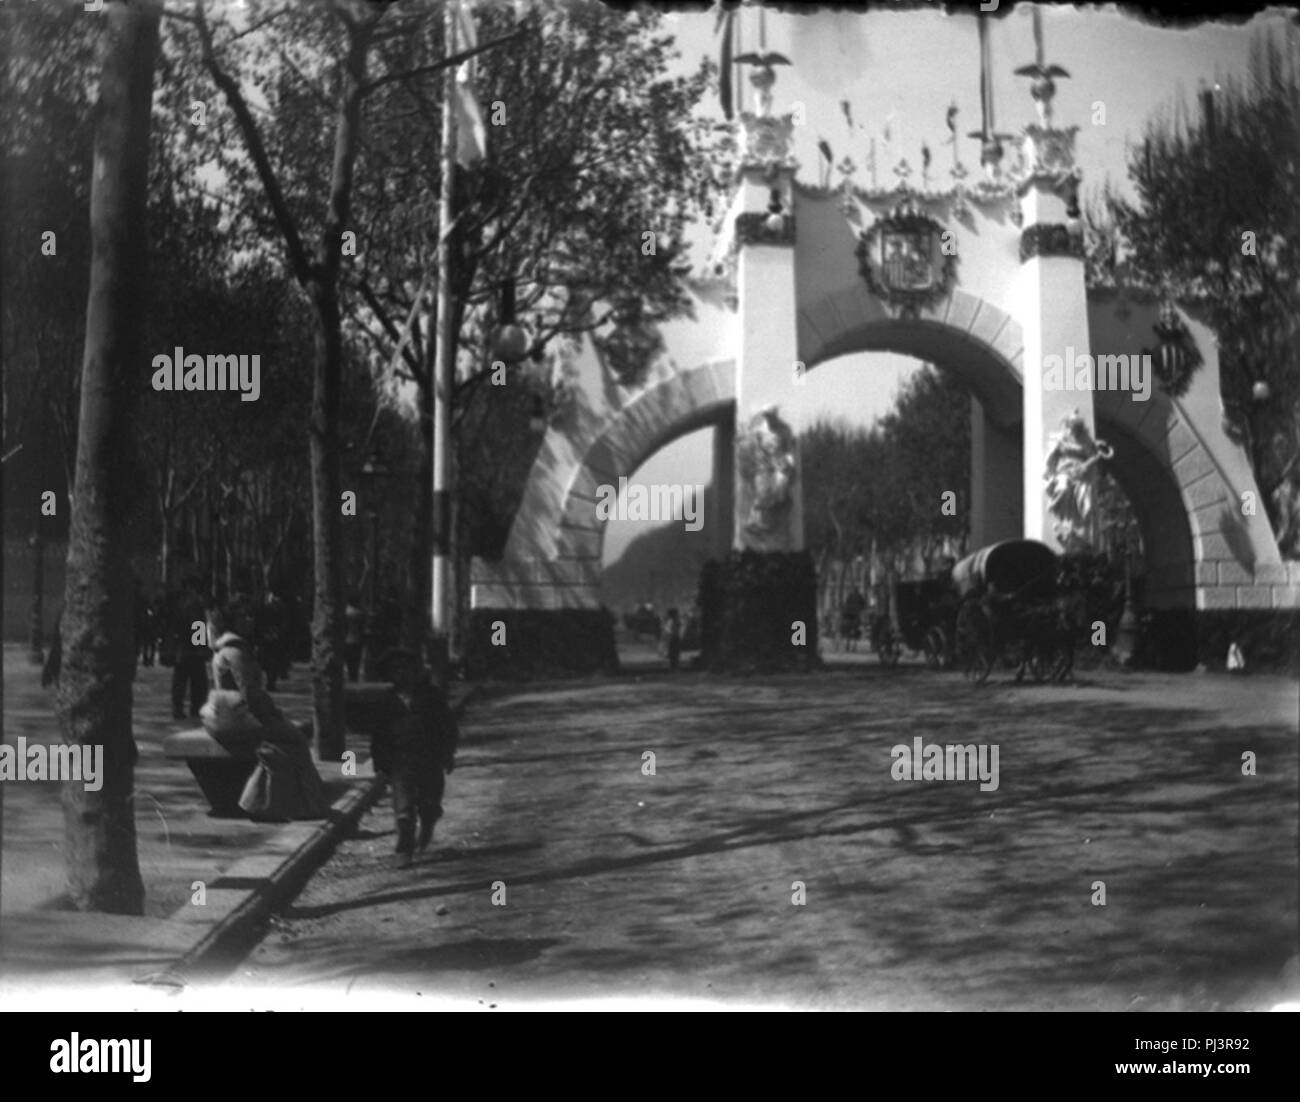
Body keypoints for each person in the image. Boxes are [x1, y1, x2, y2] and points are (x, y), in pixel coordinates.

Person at [201, 607, 328, 822]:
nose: (250, 619)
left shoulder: (226, 648)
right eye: (245, 615)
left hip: (227, 715)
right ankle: (289, 802)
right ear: (234, 622)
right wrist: (273, 716)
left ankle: (284, 800)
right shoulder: (236, 653)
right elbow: (250, 695)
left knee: (289, 735)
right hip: (238, 718)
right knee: (296, 737)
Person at [371, 649, 458, 867]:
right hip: (401, 762)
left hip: (430, 758)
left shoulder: (432, 696)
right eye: (396, 671)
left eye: (406, 670)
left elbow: (448, 727)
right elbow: (379, 735)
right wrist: (380, 761)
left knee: (429, 804)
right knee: (404, 810)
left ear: (416, 672)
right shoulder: (387, 702)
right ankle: (404, 849)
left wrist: (448, 754)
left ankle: (428, 824)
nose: (402, 675)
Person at [170, 578, 209, 720]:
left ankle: (177, 707)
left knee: (180, 679)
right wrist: (200, 646)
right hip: (191, 649)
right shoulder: (194, 604)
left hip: (181, 646)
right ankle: (196, 707)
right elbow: (197, 624)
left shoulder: (179, 602)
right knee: (198, 681)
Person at [344, 595, 365, 682]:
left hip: (346, 640)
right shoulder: (359, 613)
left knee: (348, 664)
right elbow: (362, 628)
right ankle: (354, 680)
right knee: (355, 665)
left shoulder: (344, 612)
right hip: (357, 640)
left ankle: (349, 680)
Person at [841, 588, 866, 652]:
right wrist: (860, 609)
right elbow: (864, 605)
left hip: (848, 615)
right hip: (855, 615)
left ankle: (847, 645)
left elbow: (846, 603)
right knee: (856, 630)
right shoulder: (859, 596)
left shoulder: (850, 596)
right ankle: (853, 646)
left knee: (848, 631)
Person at [663, 608, 682, 672]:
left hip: (675, 638)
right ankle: (673, 667)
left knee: (675, 654)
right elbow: (668, 631)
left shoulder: (675, 621)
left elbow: (667, 630)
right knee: (673, 654)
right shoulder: (672, 621)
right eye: (676, 614)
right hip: (673, 638)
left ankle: (674, 667)